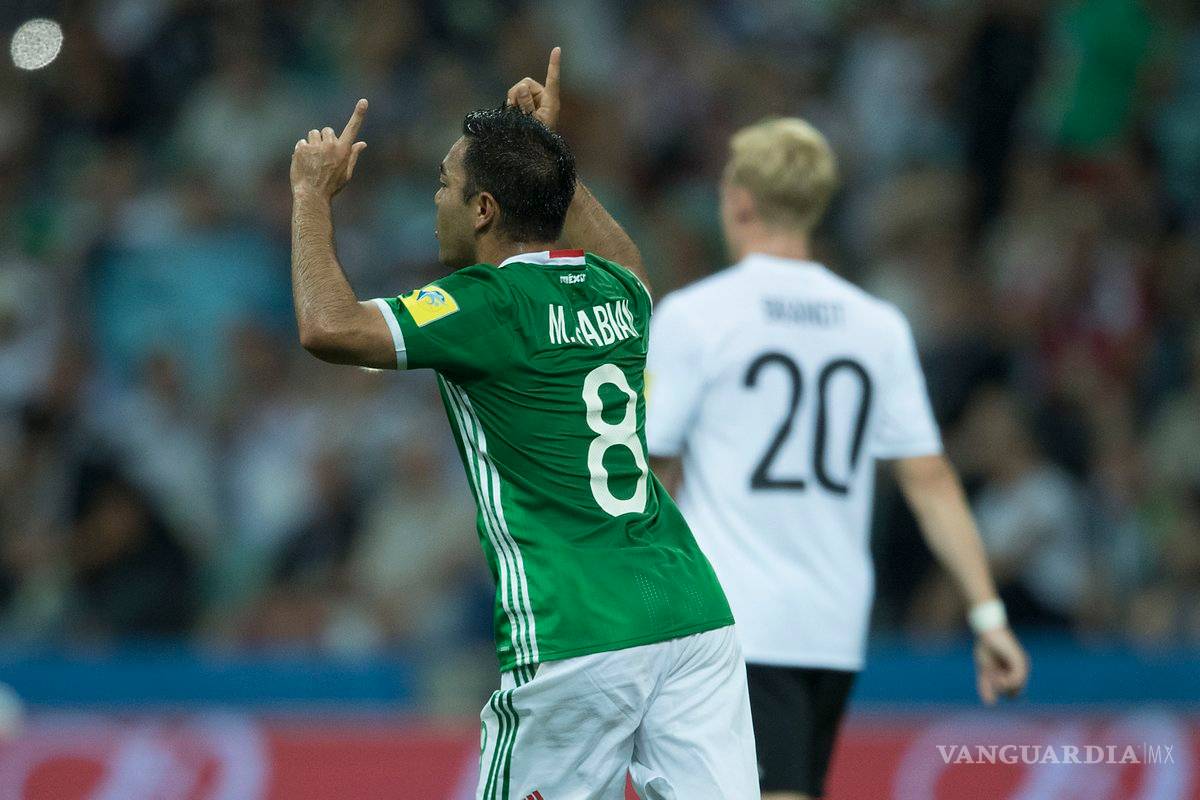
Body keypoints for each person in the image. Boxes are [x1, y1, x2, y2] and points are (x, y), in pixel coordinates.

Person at [288, 49, 758, 800]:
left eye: (445, 184)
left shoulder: (487, 305)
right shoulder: (617, 292)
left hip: (575, 629)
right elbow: (628, 260)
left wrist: (311, 195)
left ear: (483, 210)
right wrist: (549, 161)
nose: (435, 199)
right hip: (692, 615)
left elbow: (328, 327)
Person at [645, 118, 1029, 800]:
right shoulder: (875, 324)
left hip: (730, 621)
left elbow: (651, 472)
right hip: (831, 623)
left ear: (739, 201)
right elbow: (930, 480)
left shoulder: (697, 315)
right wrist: (988, 615)